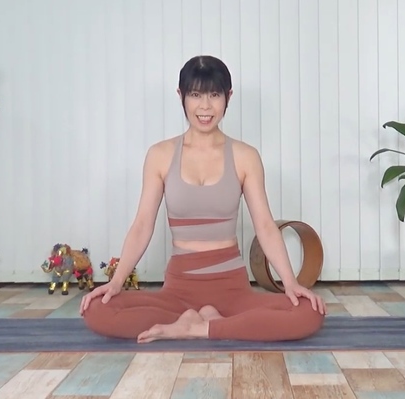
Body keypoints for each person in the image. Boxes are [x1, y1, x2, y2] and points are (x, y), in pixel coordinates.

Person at [79, 55, 326, 343]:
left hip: (233, 292)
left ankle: (196, 328)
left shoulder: (245, 156)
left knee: (309, 312)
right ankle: (208, 324)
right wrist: (116, 282)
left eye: (214, 95)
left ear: (228, 97)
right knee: (97, 309)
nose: (205, 106)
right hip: (177, 293)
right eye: (196, 95)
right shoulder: (160, 155)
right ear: (181, 96)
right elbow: (142, 224)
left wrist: (291, 283)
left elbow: (266, 226)